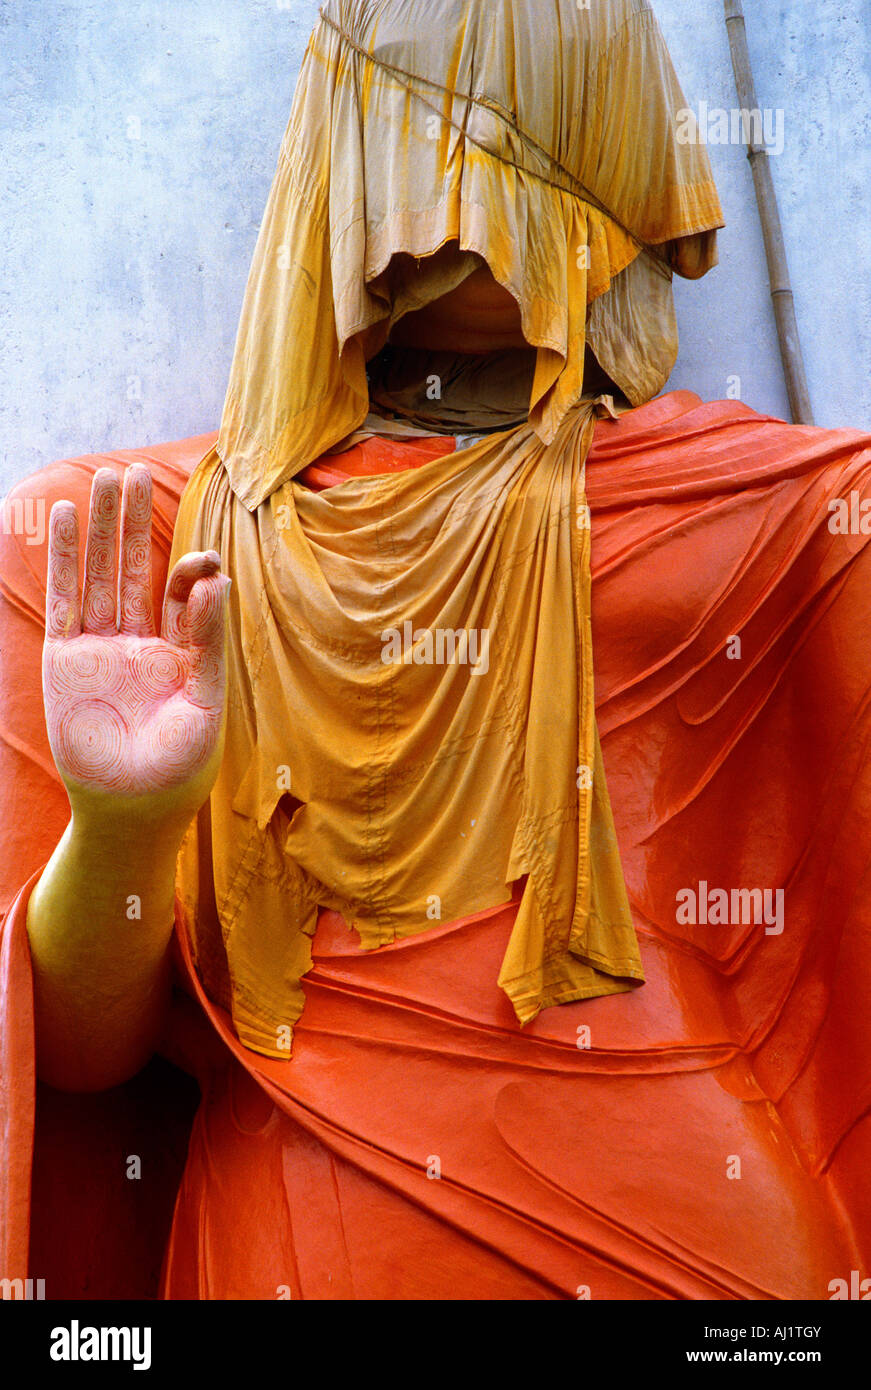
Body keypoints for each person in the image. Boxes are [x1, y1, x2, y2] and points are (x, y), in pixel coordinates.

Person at [2, 0, 870, 1300]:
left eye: (516, 129)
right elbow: (73, 1061)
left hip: (702, 1251)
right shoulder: (116, 548)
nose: (456, 188)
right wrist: (128, 823)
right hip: (304, 1248)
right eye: (418, 120)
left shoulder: (783, 514)